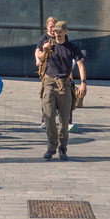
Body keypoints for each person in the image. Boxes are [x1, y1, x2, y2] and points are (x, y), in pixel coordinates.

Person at [38, 21, 86, 160]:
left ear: (66, 31)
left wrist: (83, 83)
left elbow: (80, 65)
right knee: (48, 116)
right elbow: (40, 58)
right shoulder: (49, 44)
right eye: (55, 30)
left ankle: (62, 148)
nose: (57, 33)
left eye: (60, 31)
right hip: (49, 83)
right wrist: (45, 50)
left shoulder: (72, 47)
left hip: (64, 85)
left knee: (64, 120)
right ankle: (51, 146)